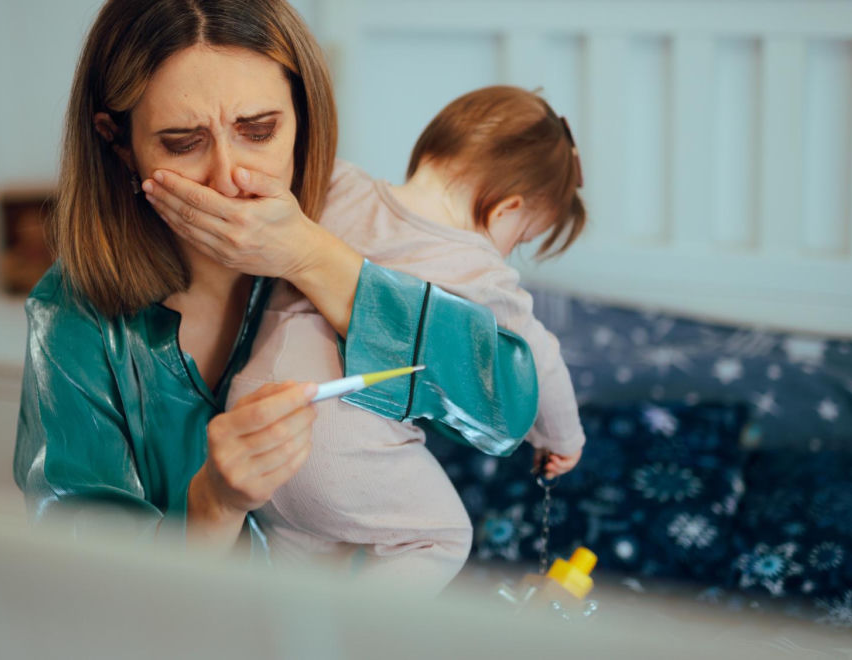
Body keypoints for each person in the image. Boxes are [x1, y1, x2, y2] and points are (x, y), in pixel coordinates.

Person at [13, 0, 541, 553]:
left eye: (259, 131)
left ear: (302, 118)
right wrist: (212, 507)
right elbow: (87, 578)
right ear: (119, 144)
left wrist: (310, 257)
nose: (229, 178)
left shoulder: (363, 219)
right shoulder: (74, 314)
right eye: (183, 143)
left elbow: (506, 412)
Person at [216, 86, 587, 592]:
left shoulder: (340, 184)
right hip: (339, 438)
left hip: (250, 414)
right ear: (506, 209)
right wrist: (563, 439)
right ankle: (365, 632)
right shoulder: (480, 271)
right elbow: (540, 361)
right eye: (519, 238)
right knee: (440, 537)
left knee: (305, 565)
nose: (507, 252)